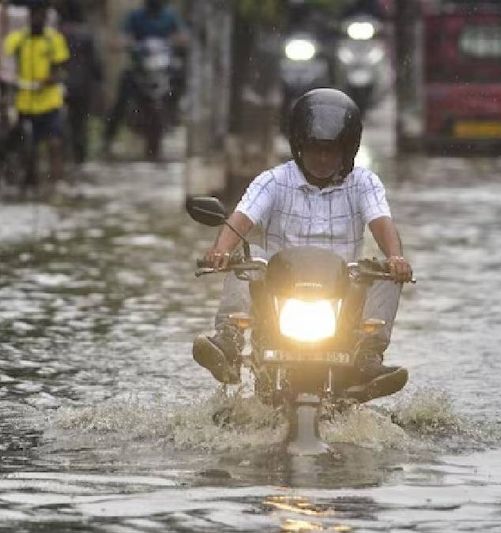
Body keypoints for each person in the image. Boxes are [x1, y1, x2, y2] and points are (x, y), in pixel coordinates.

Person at [192, 88, 414, 402]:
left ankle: (367, 357)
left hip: (343, 293)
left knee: (385, 269)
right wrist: (220, 251)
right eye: (314, 150)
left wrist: (396, 258)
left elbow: (381, 222)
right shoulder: (273, 181)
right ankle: (228, 339)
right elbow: (241, 218)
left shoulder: (364, 183)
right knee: (250, 255)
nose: (322, 159)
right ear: (299, 147)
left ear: (346, 151)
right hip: (277, 295)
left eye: (331, 151)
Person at [101, 0, 186, 157]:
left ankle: (176, 112)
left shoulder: (170, 16)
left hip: (163, 67)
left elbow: (183, 36)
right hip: (140, 67)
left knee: (180, 79)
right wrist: (126, 43)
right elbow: (121, 37)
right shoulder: (135, 16)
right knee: (123, 92)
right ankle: (108, 138)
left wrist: (176, 41)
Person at [2, 0, 69, 194]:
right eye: (35, 15)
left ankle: (57, 181)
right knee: (24, 143)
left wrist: (49, 80)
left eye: (42, 16)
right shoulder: (17, 39)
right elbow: (6, 61)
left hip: (49, 100)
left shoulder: (54, 40)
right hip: (24, 101)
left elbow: (60, 68)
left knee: (54, 142)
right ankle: (28, 180)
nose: (38, 19)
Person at [58, 0, 102, 165]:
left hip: (61, 85)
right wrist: (98, 84)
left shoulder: (57, 34)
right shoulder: (86, 35)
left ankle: (63, 160)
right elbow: (96, 64)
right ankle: (79, 160)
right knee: (80, 124)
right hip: (83, 86)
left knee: (62, 124)